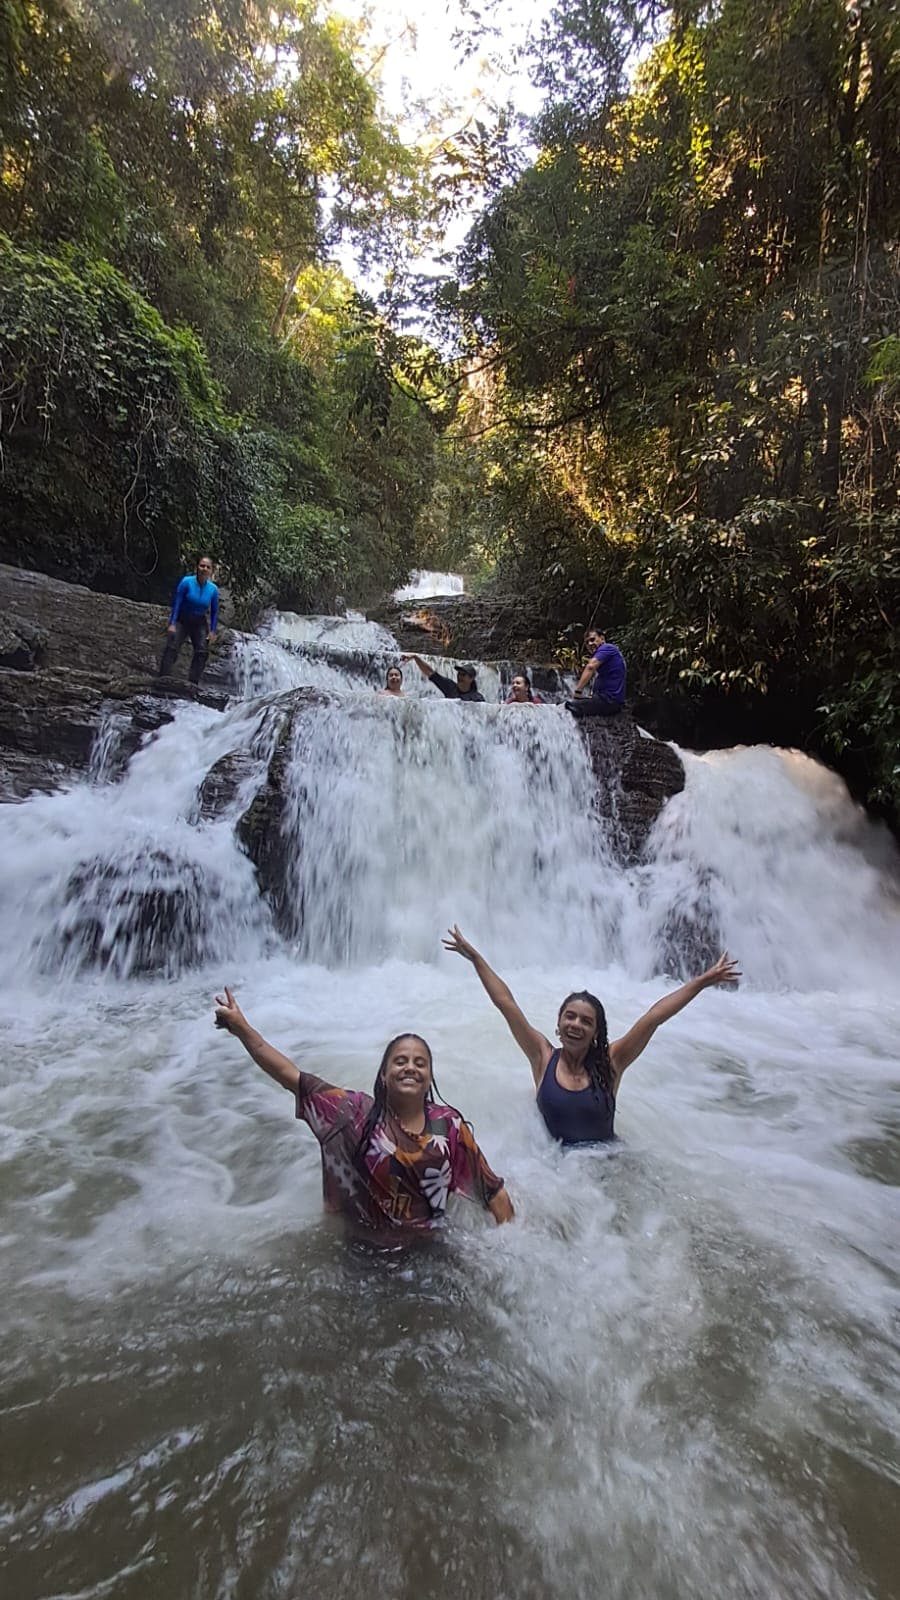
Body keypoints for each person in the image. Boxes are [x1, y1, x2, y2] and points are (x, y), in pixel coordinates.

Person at [213, 988, 514, 1232]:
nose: (410, 1067)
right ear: (383, 1075)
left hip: (429, 1254)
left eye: (420, 1063)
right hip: (366, 1253)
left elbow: (493, 1192)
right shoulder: (353, 1113)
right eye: (400, 1061)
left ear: (429, 1079)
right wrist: (242, 1030)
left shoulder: (448, 1127)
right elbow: (290, 1077)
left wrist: (510, 1259)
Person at [441, 926, 740, 1147]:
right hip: (554, 1174)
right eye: (569, 1016)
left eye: (586, 1021)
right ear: (558, 1023)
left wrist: (703, 981)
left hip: (604, 1169)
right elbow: (506, 1004)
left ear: (596, 1032)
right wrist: (476, 959)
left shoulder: (612, 1062)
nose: (576, 1024)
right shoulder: (542, 1056)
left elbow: (655, 1016)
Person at [158, 556, 219, 685]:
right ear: (197, 567)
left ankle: (193, 683)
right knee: (172, 647)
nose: (204, 569)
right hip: (182, 618)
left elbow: (214, 611)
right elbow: (177, 602)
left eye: (208, 567)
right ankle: (162, 679)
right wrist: (172, 623)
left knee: (202, 651)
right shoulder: (186, 582)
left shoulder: (213, 589)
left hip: (199, 622)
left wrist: (213, 631)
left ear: (211, 571)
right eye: (202, 566)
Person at [566, 628, 626, 719]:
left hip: (608, 700)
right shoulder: (609, 654)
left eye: (592, 640)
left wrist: (578, 692)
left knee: (570, 705)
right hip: (608, 701)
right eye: (587, 642)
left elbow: (590, 667)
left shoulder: (607, 648)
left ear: (602, 638)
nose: (590, 644)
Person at [401, 653, 485, 703]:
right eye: (459, 674)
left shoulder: (477, 698)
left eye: (463, 675)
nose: (459, 677)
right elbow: (430, 673)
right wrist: (415, 658)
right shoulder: (450, 687)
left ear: (471, 679)